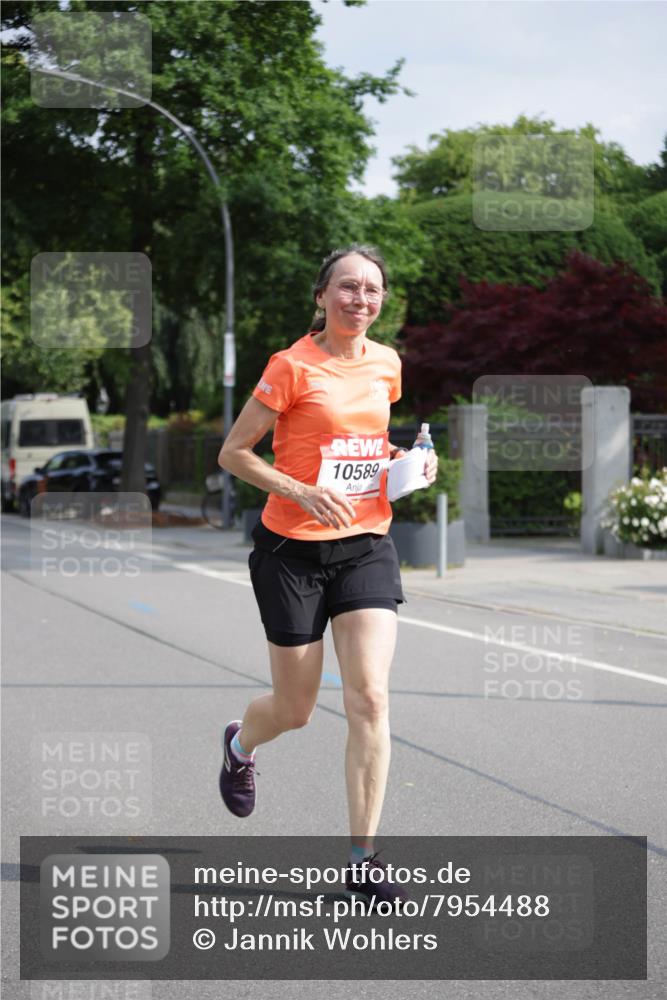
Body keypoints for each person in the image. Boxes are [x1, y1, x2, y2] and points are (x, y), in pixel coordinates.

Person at [217, 244, 438, 902]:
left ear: (381, 301)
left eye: (371, 290)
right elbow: (235, 453)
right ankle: (239, 745)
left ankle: (362, 861)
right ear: (321, 297)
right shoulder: (291, 366)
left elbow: (365, 442)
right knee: (295, 709)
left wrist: (405, 461)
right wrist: (299, 489)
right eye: (346, 287)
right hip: (291, 551)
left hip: (365, 541)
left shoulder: (386, 366)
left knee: (369, 698)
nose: (359, 299)